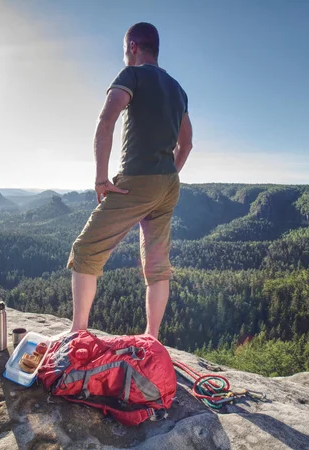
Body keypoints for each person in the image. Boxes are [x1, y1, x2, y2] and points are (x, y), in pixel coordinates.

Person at [66, 22, 193, 340]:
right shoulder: (178, 89)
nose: (125, 56)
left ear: (134, 46)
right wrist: (170, 174)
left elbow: (106, 119)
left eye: (125, 50)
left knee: (86, 250)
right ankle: (151, 338)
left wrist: (100, 179)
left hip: (137, 180)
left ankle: (77, 334)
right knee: (157, 264)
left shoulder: (131, 76)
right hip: (168, 184)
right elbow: (186, 143)